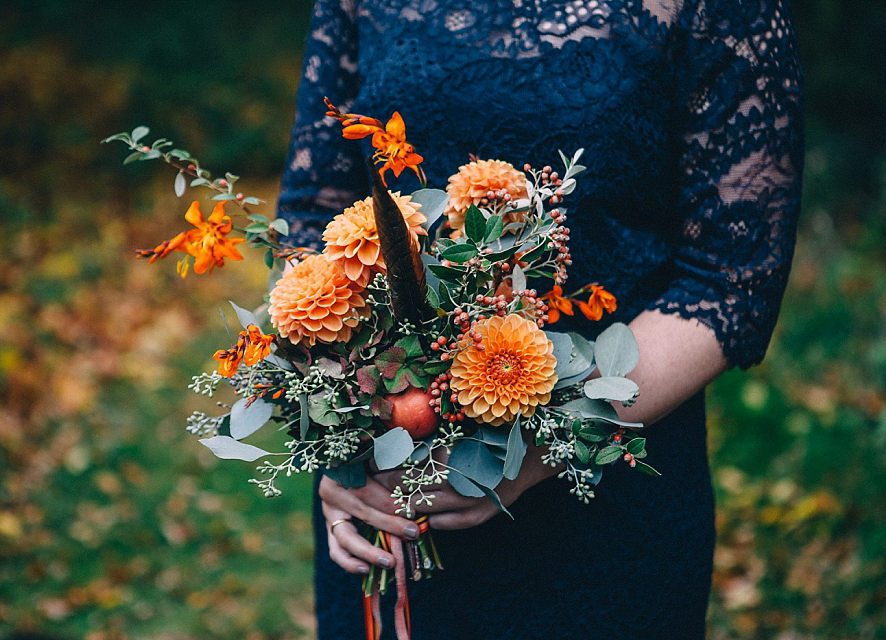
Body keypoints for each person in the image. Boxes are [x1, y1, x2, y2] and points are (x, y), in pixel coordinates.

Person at [276, 1, 803, 637]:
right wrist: (341, 435)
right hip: (387, 504)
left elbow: (731, 278)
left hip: (608, 488)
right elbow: (311, 214)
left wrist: (532, 454)